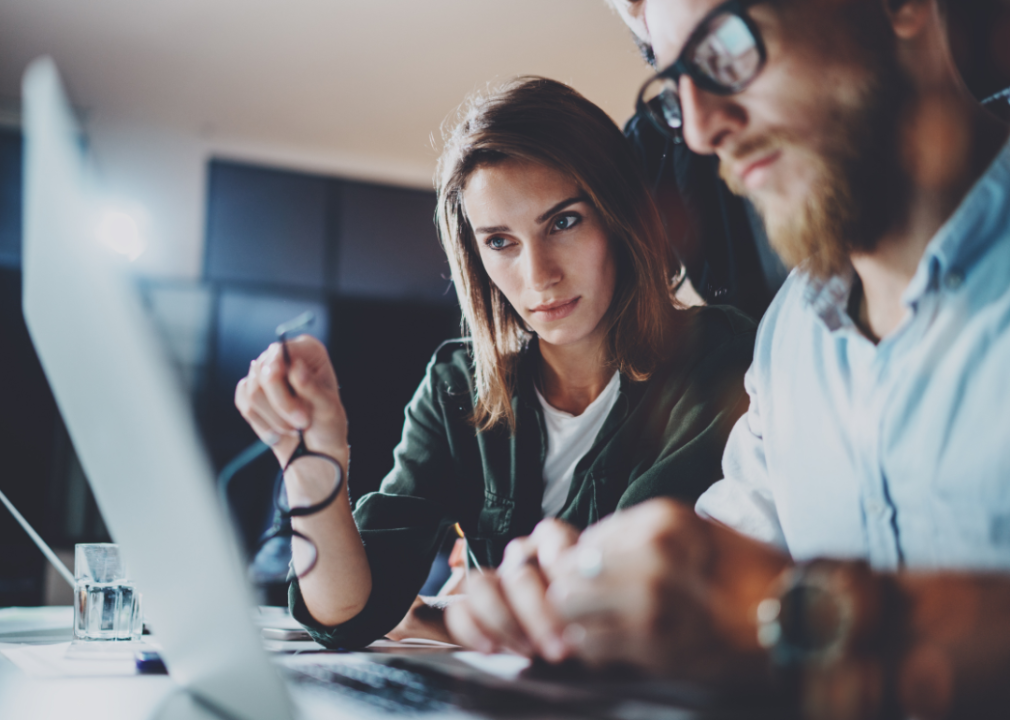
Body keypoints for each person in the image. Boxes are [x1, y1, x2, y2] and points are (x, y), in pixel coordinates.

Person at [446, 2, 1010, 717]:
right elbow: (715, 568)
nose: (705, 130)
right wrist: (581, 599)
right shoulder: (789, 340)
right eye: (676, 81)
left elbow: (753, 607)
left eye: (728, 47)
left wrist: (799, 616)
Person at [234, 77, 755, 649]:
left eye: (564, 221)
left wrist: (445, 619)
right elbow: (345, 614)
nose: (539, 276)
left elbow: (615, 588)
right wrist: (311, 459)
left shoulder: (714, 354)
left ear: (620, 216)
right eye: (501, 242)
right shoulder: (458, 385)